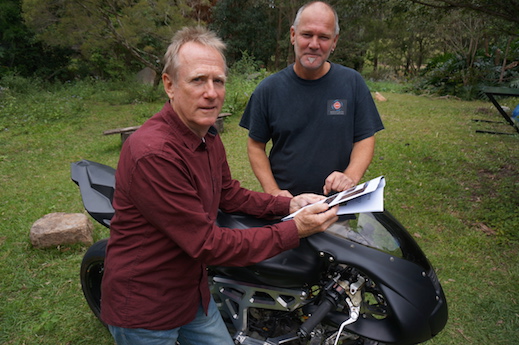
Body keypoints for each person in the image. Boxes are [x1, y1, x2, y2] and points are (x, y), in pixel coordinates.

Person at [100, 26, 338, 345]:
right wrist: (294, 229)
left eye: (218, 81)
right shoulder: (153, 154)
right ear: (169, 85)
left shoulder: (207, 135)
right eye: (198, 80)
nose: (211, 92)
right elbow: (208, 244)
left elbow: (229, 194)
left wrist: (289, 204)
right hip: (146, 308)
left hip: (193, 293)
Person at [239, 1, 384, 197]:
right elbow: (255, 145)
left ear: (334, 41)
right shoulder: (268, 90)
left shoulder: (352, 83)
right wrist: (273, 191)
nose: (314, 44)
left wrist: (349, 176)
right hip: (287, 206)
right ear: (293, 35)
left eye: (324, 37)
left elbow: (365, 138)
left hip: (338, 203)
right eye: (307, 34)